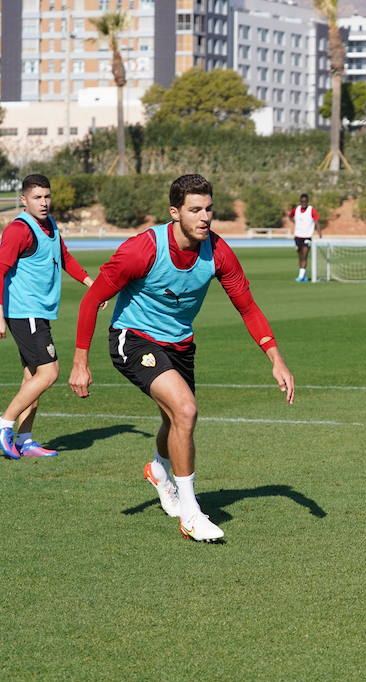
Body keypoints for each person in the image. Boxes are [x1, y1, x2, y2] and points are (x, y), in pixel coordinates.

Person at [68, 173, 296, 543]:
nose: (204, 217)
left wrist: (275, 357)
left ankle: (159, 469)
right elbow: (93, 299)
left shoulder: (218, 252)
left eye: (209, 209)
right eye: (195, 210)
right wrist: (81, 361)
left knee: (175, 420)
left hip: (180, 345)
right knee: (186, 410)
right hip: (134, 338)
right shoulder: (141, 250)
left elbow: (248, 307)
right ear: (175, 212)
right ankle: (191, 513)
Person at [0, 173, 94, 459]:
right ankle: (3, 424)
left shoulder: (50, 225)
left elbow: (65, 257)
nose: (44, 202)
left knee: (32, 379)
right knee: (50, 372)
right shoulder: (19, 230)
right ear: (23, 200)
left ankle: (25, 439)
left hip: (38, 312)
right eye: (37, 197)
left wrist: (90, 284)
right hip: (25, 312)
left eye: (47, 196)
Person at [288, 193, 321, 282]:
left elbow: (316, 222)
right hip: (298, 236)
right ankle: (304, 275)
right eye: (302, 201)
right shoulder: (296, 210)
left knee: (304, 256)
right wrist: (295, 222)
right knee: (300, 256)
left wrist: (320, 234)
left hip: (307, 236)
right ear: (300, 201)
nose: (304, 203)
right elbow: (290, 216)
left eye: (305, 201)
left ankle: (301, 276)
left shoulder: (311, 210)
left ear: (307, 201)